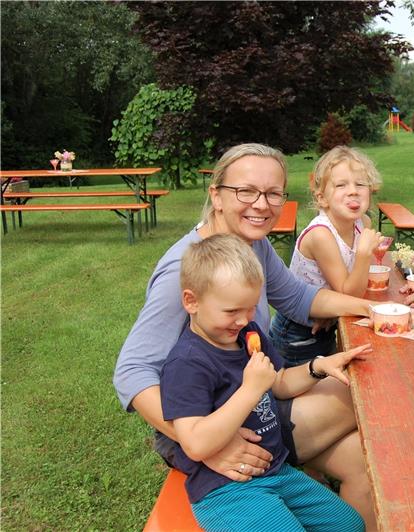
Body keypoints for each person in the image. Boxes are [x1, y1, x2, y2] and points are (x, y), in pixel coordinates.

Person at [114, 143, 376, 529]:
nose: (262, 204)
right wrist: (207, 445)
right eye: (246, 191)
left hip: (256, 401)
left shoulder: (252, 245)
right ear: (216, 196)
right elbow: (131, 372)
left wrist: (367, 308)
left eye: (273, 193)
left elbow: (298, 297)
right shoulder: (187, 269)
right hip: (207, 422)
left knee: (359, 457)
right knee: (361, 400)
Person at [162, 233, 369, 531]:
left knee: (348, 524)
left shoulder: (247, 335)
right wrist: (250, 389)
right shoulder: (187, 363)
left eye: (250, 308)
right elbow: (195, 443)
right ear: (191, 301)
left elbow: (280, 382)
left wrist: (317, 366)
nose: (243, 319)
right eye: (231, 311)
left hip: (276, 471)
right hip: (228, 490)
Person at [270, 146, 382, 366]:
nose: (353, 191)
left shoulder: (362, 223)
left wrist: (331, 314)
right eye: (341, 185)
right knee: (311, 383)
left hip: (330, 319)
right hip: (299, 331)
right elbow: (350, 293)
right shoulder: (321, 235)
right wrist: (363, 255)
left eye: (361, 184)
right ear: (322, 198)